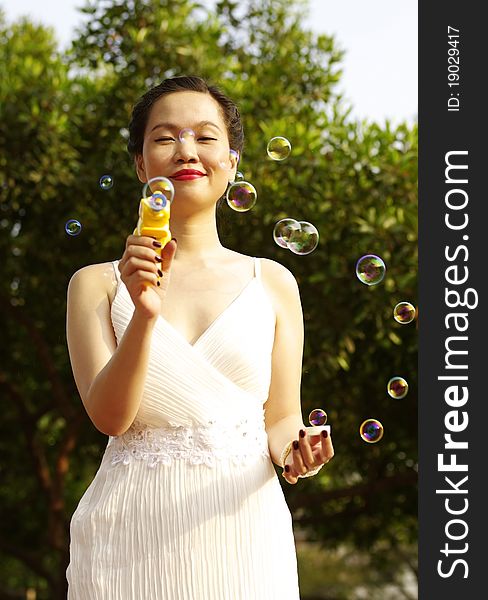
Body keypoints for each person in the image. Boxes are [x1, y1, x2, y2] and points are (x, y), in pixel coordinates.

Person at [65, 75, 334, 599]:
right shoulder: (94, 285)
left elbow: (280, 420)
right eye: (165, 138)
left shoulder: (274, 281)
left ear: (232, 162)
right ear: (142, 165)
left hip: (244, 536)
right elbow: (110, 417)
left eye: (206, 137)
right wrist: (143, 313)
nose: (186, 149)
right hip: (130, 536)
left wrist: (299, 449)